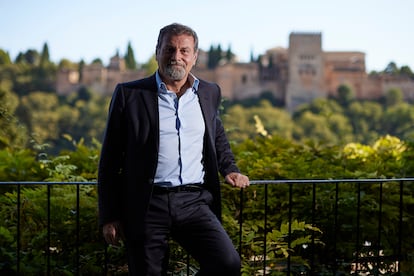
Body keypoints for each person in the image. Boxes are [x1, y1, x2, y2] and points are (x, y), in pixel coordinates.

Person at [98, 23, 250, 275]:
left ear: (195, 56)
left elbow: (216, 134)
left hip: (194, 202)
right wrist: (109, 215)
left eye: (184, 50)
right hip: (147, 204)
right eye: (169, 49)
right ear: (157, 51)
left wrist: (229, 168)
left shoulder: (209, 92)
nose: (176, 56)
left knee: (227, 264)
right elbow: (110, 160)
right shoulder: (130, 94)